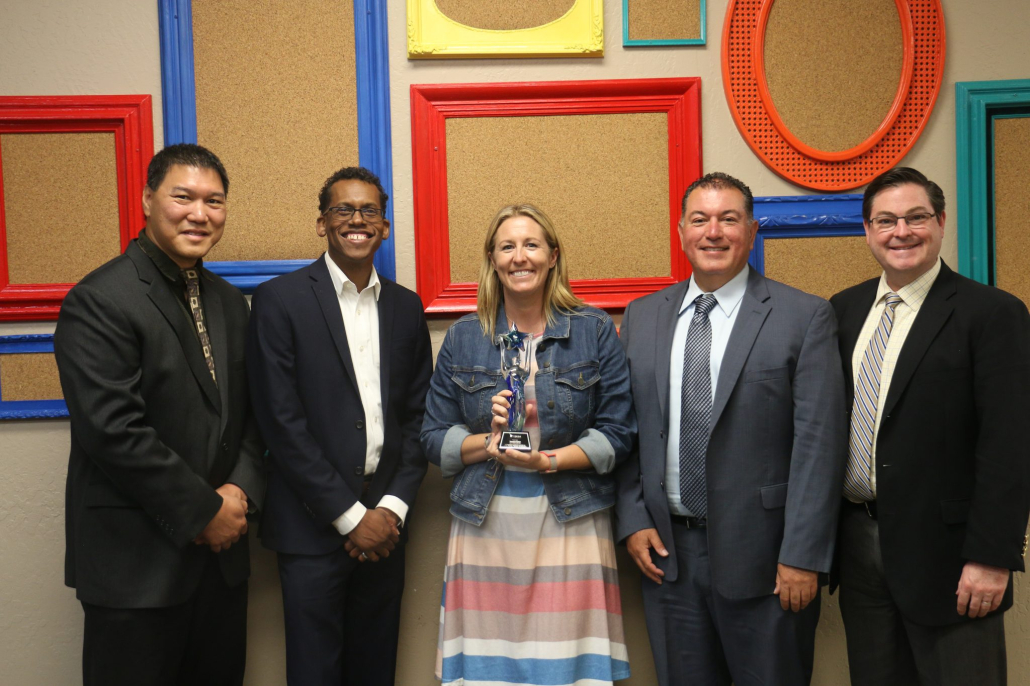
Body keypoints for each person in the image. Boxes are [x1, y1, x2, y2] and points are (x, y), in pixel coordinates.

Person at [615, 172, 847, 686]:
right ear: (681, 231)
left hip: (770, 563)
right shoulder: (643, 316)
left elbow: (819, 445)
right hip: (667, 557)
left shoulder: (804, 316)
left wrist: (803, 556)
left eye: (728, 219)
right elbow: (626, 427)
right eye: (700, 219)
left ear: (753, 229)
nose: (713, 232)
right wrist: (633, 520)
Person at [54, 143, 265, 686]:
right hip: (136, 569)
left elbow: (252, 414)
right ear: (148, 200)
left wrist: (239, 493)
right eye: (183, 197)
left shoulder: (228, 300)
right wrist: (203, 513)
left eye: (214, 201)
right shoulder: (100, 299)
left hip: (221, 568)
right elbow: (113, 432)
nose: (200, 213)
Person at [829, 166, 1030, 686]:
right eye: (886, 220)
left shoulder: (992, 313)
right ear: (867, 231)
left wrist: (991, 556)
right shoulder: (842, 311)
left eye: (916, 217)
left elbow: (1010, 444)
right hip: (857, 547)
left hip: (951, 557)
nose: (902, 232)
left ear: (941, 222)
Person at [421, 203, 636, 686]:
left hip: (571, 520)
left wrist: (547, 460)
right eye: (508, 246)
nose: (520, 256)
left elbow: (619, 432)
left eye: (532, 244)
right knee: (489, 673)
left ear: (553, 255)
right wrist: (486, 443)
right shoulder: (463, 337)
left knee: (568, 671)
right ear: (493, 260)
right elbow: (432, 437)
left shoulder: (594, 329)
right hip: (486, 525)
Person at [247, 166, 432, 686]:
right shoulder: (279, 301)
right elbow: (280, 423)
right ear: (322, 223)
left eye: (369, 210)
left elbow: (420, 416)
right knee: (314, 673)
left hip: (388, 526)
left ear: (385, 226)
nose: (357, 220)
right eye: (343, 210)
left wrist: (389, 510)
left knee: (375, 670)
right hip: (312, 527)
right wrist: (352, 518)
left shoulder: (405, 306)